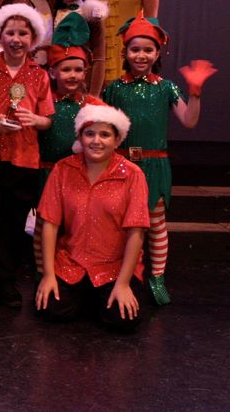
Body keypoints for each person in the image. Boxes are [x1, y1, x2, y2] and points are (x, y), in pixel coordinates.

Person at [102, 15, 214, 305]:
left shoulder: (166, 88)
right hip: (122, 164)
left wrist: (195, 92)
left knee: (156, 222)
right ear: (125, 52)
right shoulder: (113, 89)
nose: (141, 55)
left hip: (155, 166)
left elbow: (189, 121)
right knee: (121, 222)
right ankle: (123, 272)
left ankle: (157, 277)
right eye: (135, 49)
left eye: (147, 50)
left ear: (157, 53)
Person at [0, 3, 54, 317]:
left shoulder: (39, 75)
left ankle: (6, 282)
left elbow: (47, 119)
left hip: (24, 159)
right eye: (10, 33)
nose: (16, 39)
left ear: (33, 39)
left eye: (23, 34)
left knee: (15, 224)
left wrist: (36, 120)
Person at [35, 104, 147, 332]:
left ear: (117, 140)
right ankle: (87, 298)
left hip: (114, 267)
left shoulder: (132, 175)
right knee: (51, 309)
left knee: (123, 320)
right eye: (90, 134)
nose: (97, 141)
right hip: (71, 263)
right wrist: (48, 275)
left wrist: (123, 284)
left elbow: (136, 232)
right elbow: (50, 224)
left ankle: (94, 298)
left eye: (105, 134)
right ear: (80, 137)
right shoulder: (62, 170)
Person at [33, 14, 106, 275]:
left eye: (78, 69)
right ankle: (44, 275)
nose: (72, 75)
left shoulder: (92, 105)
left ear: (85, 71)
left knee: (75, 226)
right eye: (66, 70)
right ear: (53, 72)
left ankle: (70, 274)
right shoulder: (43, 102)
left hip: (77, 176)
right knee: (45, 226)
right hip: (46, 174)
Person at [50, 0, 108, 94]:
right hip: (55, 86)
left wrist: (94, 96)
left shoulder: (92, 14)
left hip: (81, 86)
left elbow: (99, 59)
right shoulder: (53, 11)